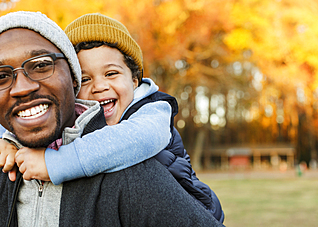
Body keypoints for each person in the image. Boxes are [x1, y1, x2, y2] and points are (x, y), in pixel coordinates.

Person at [0, 11, 224, 226]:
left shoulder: (152, 112)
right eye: (86, 79)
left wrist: (53, 163)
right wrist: (10, 141)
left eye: (111, 74)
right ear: (73, 84)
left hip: (195, 206)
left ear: (135, 80)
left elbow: (136, 140)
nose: (99, 87)